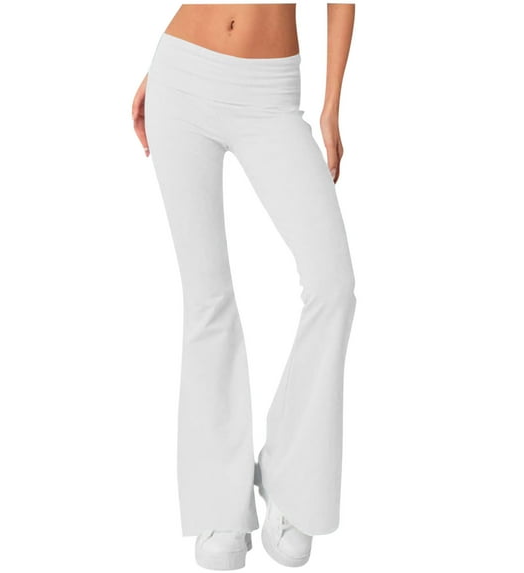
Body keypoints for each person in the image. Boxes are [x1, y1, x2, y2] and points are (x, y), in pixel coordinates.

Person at [132, 3, 356, 569]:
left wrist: (331, 104)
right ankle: (218, 504)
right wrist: (158, 72)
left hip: (270, 92)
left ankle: (292, 482)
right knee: (206, 299)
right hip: (182, 76)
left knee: (333, 285)